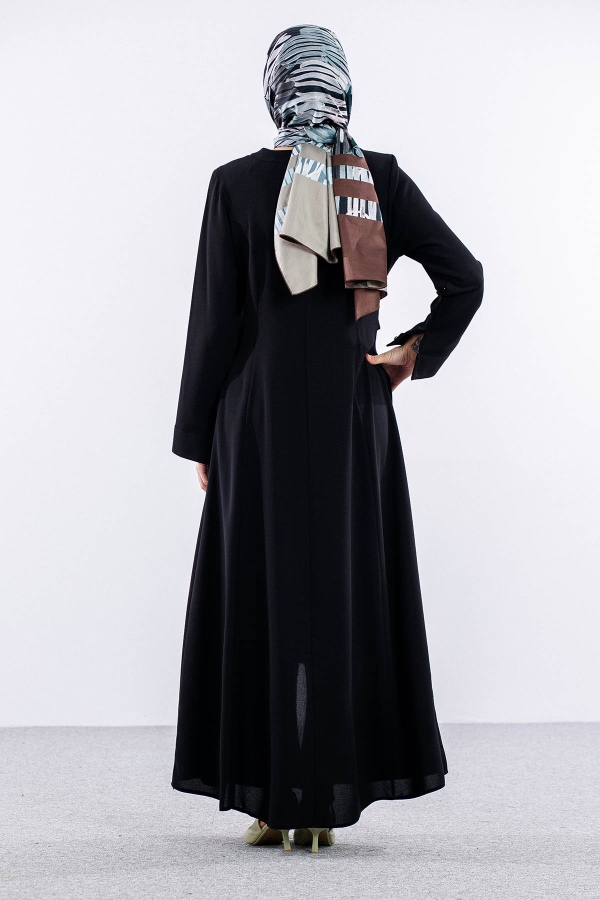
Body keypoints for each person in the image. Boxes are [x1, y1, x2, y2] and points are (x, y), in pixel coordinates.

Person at [170, 24, 484, 855]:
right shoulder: (378, 179)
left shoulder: (237, 184)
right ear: (343, 87)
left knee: (263, 594)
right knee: (343, 595)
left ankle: (272, 800)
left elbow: (215, 323)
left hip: (257, 421)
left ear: (275, 88)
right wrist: (409, 354)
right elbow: (466, 279)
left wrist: (201, 437)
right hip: (352, 417)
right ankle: (325, 804)